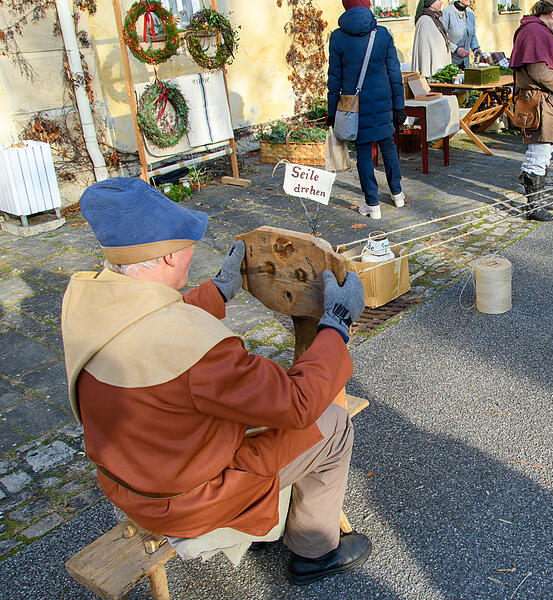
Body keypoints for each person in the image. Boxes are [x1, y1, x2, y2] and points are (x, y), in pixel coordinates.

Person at [61, 177, 370, 585]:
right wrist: (337, 324)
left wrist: (217, 293)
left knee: (250, 412)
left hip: (128, 484)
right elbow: (297, 403)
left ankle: (272, 516)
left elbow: (147, 324)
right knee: (331, 423)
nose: (192, 255)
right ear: (169, 256)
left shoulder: (85, 302)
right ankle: (315, 552)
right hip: (188, 501)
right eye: (188, 247)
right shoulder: (200, 353)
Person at [328, 0, 406, 220]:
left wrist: (332, 111)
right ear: (367, 5)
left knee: (363, 151)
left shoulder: (338, 37)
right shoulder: (382, 34)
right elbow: (394, 72)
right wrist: (399, 105)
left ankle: (373, 205)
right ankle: (397, 194)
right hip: (383, 100)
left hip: (354, 104)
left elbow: (334, 78)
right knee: (388, 145)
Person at [510, 0, 553, 221]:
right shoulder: (533, 31)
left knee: (545, 153)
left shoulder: (547, 32)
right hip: (539, 103)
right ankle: (533, 207)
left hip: (551, 102)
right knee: (538, 155)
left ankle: (537, 203)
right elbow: (538, 72)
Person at [441, 0, 487, 68]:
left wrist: (475, 49)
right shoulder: (447, 12)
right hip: (451, 62)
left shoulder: (470, 13)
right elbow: (441, 37)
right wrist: (456, 49)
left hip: (465, 63)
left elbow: (472, 35)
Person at [411, 0, 451, 77]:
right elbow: (425, 53)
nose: (441, 2)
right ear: (431, 3)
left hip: (439, 70)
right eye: (438, 0)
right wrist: (428, 75)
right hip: (432, 73)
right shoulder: (425, 21)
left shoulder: (434, 19)